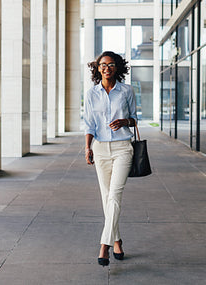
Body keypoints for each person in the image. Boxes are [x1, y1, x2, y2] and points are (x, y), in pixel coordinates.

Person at [83, 51, 137, 266]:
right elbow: (89, 124)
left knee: (115, 194)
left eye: (111, 64)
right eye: (102, 65)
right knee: (107, 198)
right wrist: (87, 148)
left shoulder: (126, 91)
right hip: (100, 149)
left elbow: (135, 119)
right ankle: (117, 240)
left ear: (118, 67)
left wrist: (125, 121)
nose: (107, 68)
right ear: (97, 68)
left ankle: (103, 246)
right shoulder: (91, 94)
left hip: (123, 148)